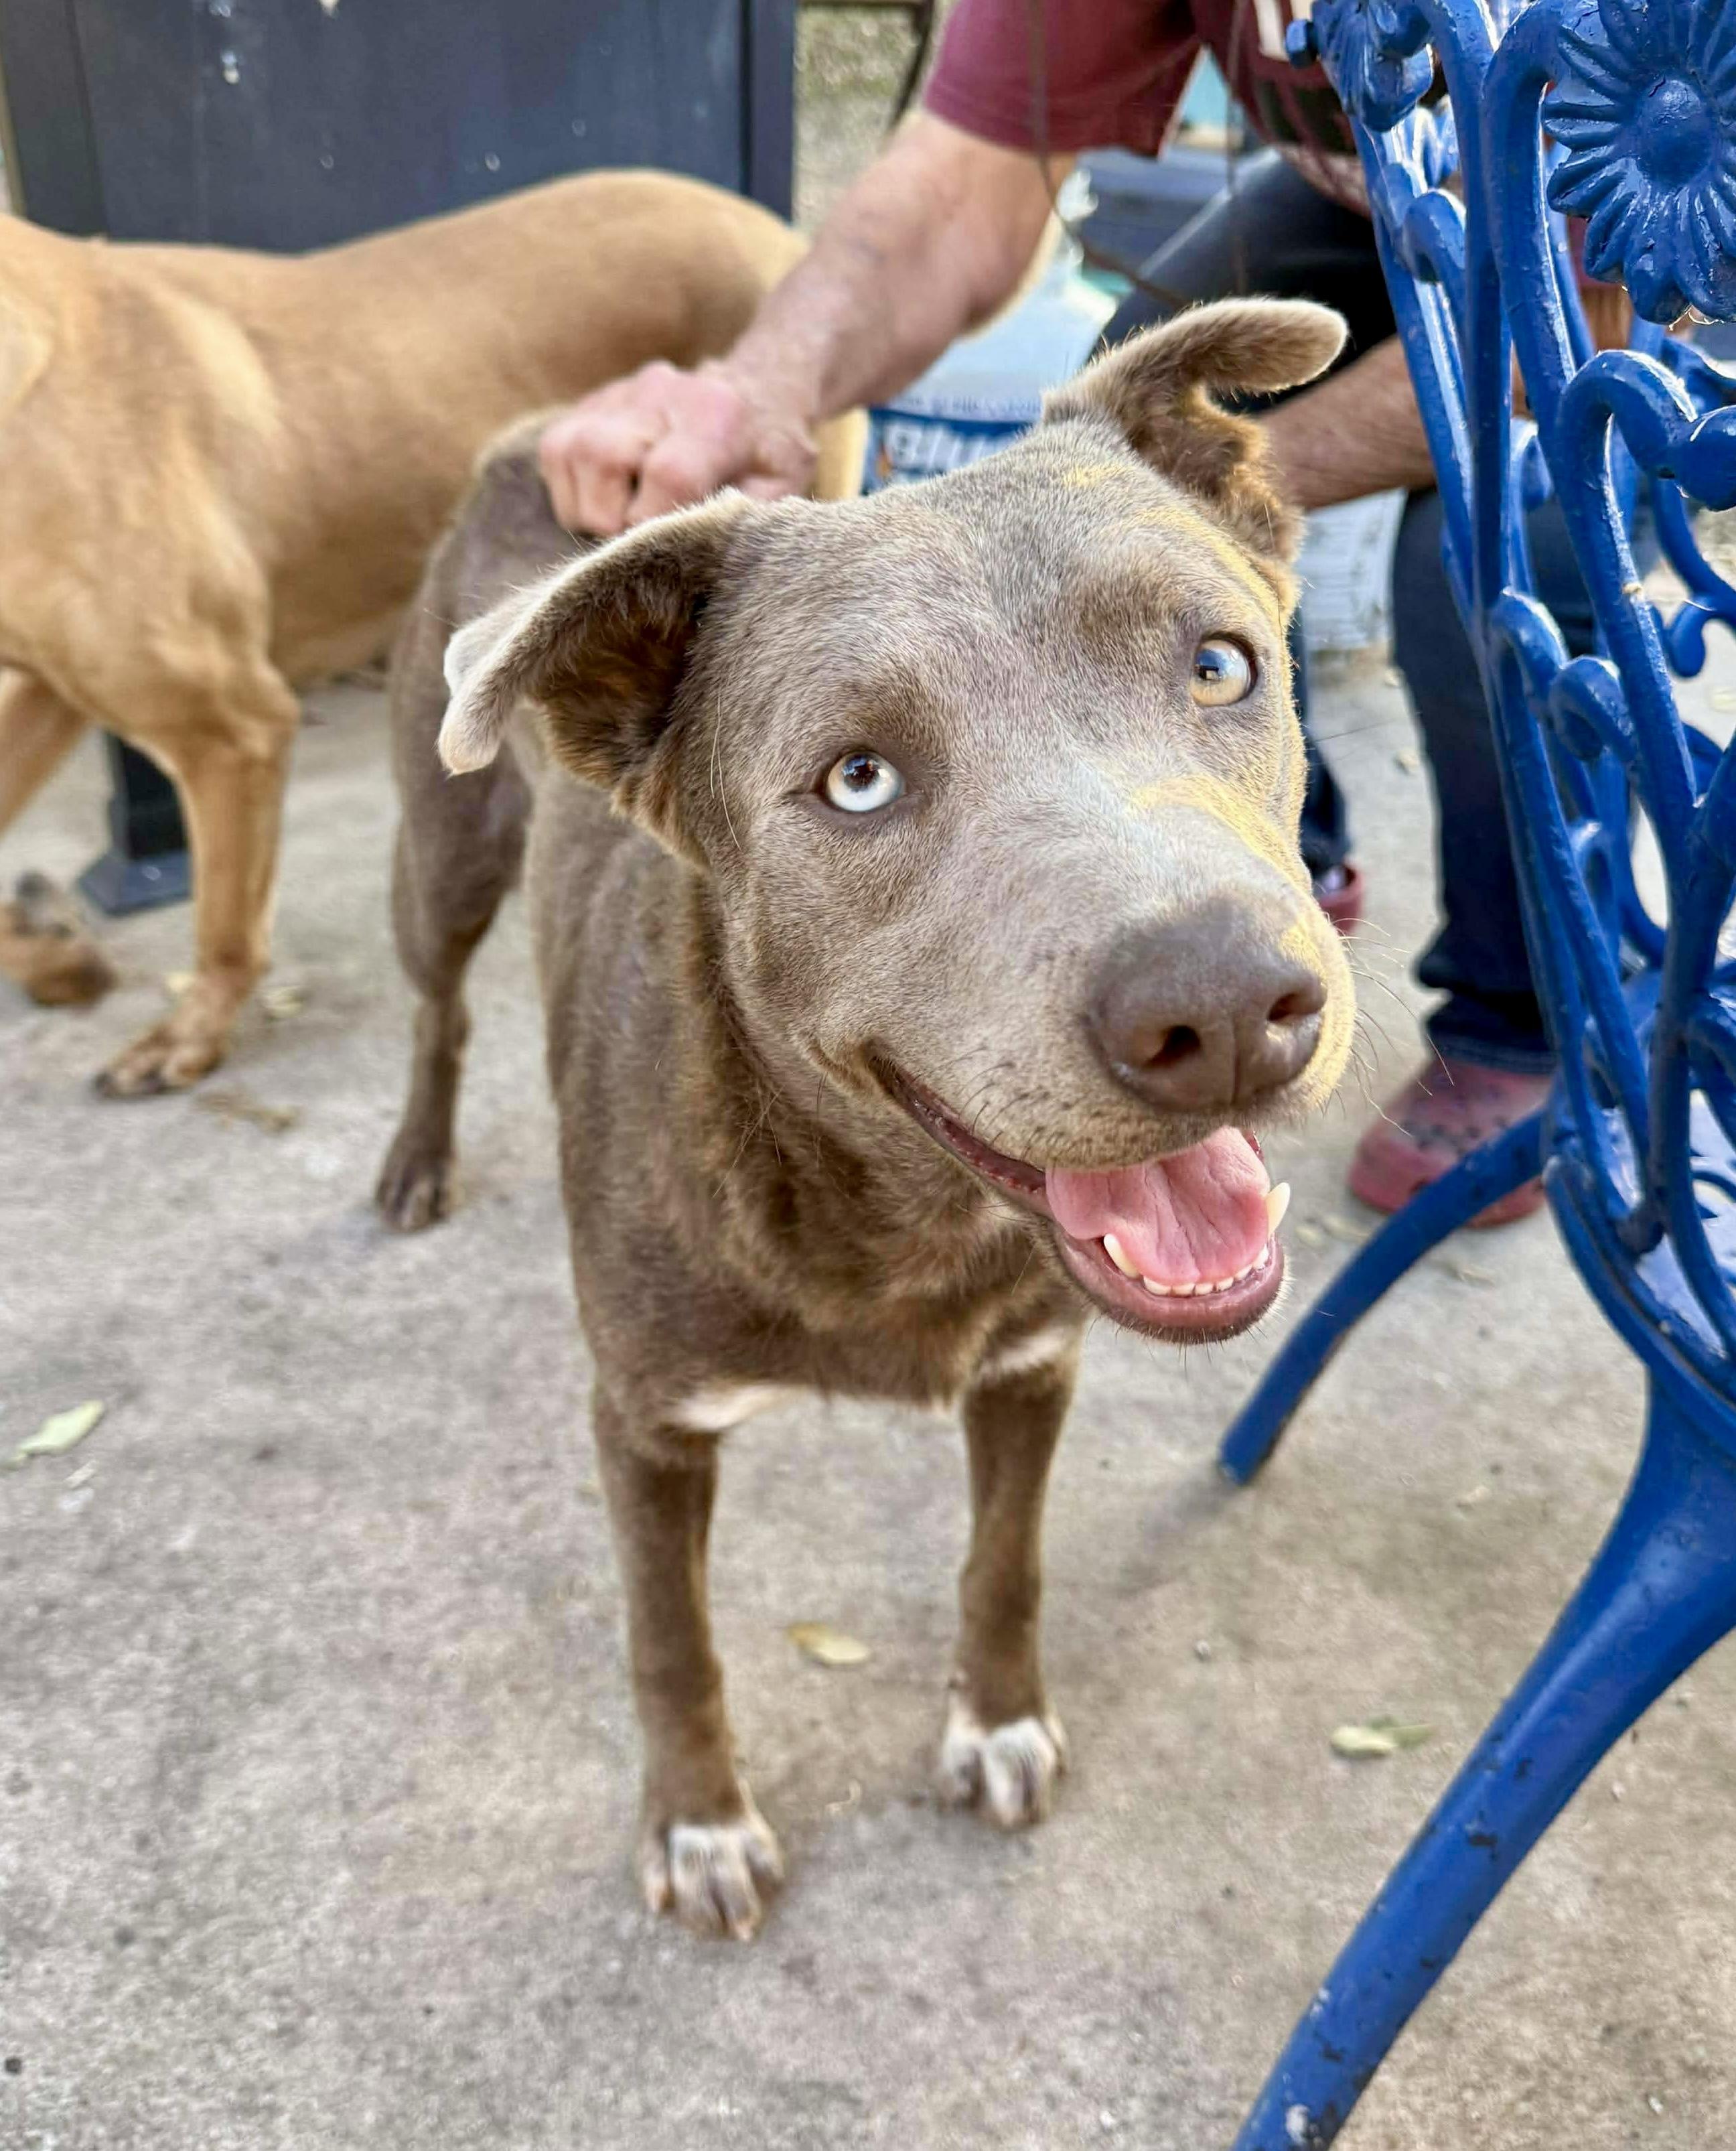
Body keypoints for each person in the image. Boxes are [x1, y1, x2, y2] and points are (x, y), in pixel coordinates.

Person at [537, 0, 1564, 1225]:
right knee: (1132, 367)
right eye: (860, 777)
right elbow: (955, 193)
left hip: (1628, 248)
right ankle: (1293, 848)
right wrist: (756, 388)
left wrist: (1182, 512)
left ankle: (1514, 1019)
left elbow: (1569, 329)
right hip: (1374, 195)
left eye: (1216, 673)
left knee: (1490, 566)